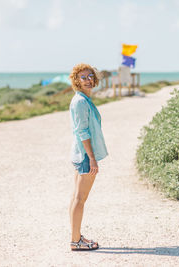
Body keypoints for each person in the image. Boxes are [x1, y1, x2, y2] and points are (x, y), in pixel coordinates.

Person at [68, 63, 108, 251]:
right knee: (80, 199)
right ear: (76, 80)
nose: (88, 80)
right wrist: (92, 158)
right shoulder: (81, 102)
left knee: (76, 198)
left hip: (81, 154)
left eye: (90, 76)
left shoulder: (83, 99)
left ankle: (76, 237)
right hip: (85, 156)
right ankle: (76, 241)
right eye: (83, 77)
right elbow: (82, 132)